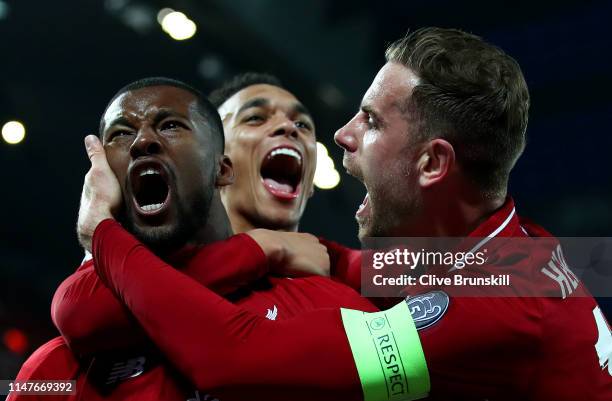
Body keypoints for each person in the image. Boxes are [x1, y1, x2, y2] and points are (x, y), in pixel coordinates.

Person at [71, 27, 611, 401]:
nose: (341, 134)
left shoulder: (496, 305)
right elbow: (77, 311)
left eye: (371, 122)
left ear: (431, 163)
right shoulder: (510, 259)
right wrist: (267, 247)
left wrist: (103, 234)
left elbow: (235, 360)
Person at [10, 77, 376, 401]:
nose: (286, 128)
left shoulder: (338, 297)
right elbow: (76, 309)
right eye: (254, 118)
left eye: (302, 124)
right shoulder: (58, 364)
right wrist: (259, 247)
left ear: (221, 167)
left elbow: (423, 270)